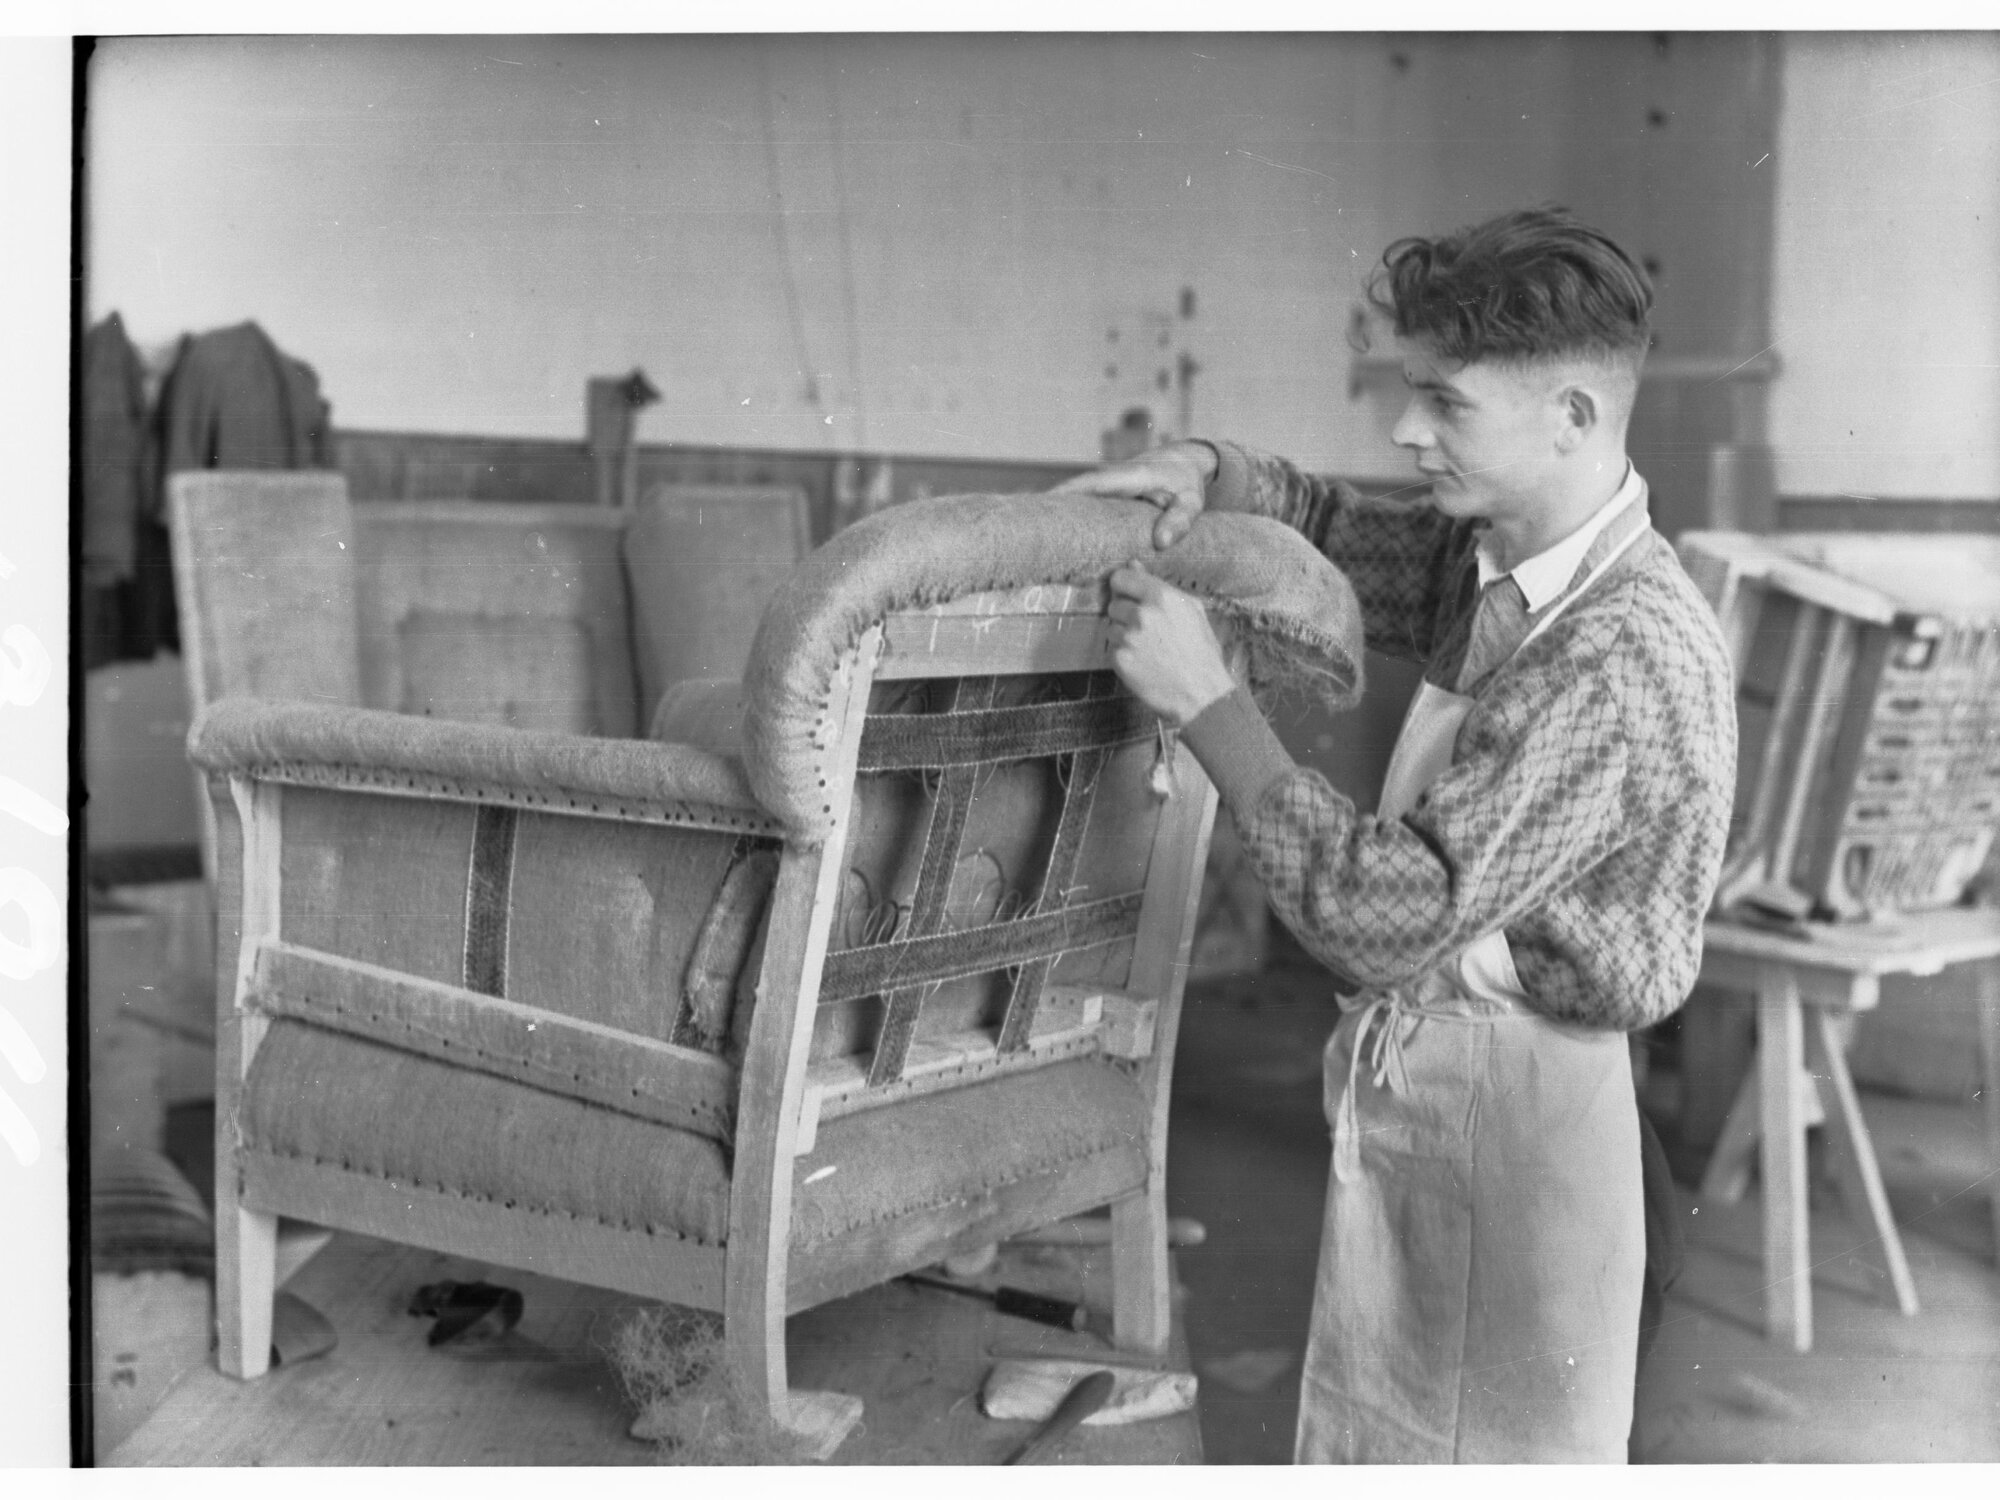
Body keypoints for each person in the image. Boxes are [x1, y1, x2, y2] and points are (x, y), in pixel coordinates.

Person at [1062, 206, 1736, 1463]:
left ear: (1572, 417)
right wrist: (1208, 468)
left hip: (1522, 1127)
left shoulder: (1615, 650)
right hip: (1444, 1085)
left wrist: (1208, 704)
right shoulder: (1497, 561)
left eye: (1442, 403)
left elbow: (1389, 913)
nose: (1403, 430)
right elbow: (1329, 522)